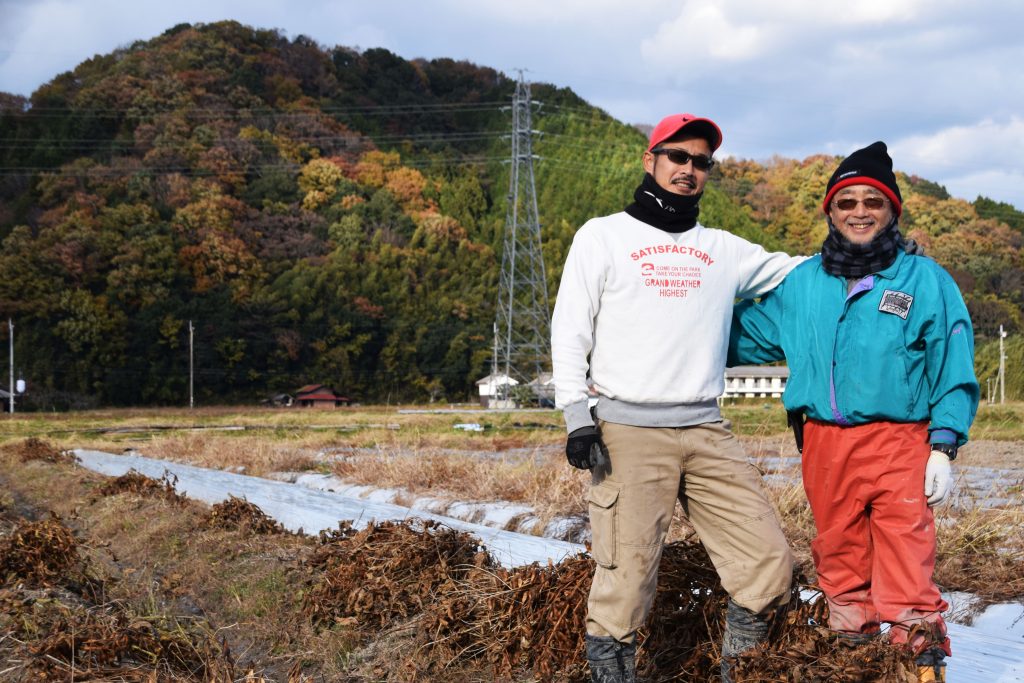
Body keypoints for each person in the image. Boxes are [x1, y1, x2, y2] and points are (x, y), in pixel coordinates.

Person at [551, 113, 803, 682]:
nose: (689, 169)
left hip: (708, 429)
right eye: (678, 157)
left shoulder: (724, 249)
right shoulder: (603, 235)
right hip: (627, 432)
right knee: (625, 581)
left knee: (768, 566)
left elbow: (799, 274)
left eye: (701, 162)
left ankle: (740, 673)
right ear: (651, 160)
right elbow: (570, 330)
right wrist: (577, 418)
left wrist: (870, 257)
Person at [728, 141, 979, 682]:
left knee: (907, 561)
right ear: (830, 211)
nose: (860, 211)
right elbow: (738, 338)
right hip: (824, 443)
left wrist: (945, 443)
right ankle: (851, 663)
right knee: (838, 556)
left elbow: (953, 364)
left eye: (873, 201)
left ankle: (920, 670)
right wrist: (667, 320)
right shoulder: (801, 283)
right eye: (847, 202)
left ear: (892, 211)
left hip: (901, 442)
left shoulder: (924, 281)